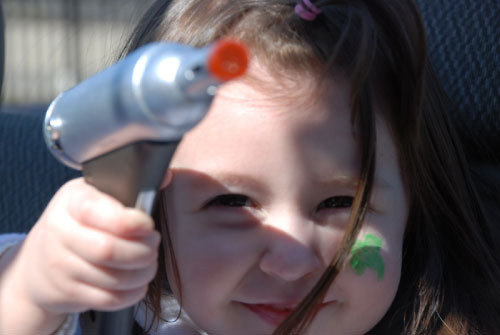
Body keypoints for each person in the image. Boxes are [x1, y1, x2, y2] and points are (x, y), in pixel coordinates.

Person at [1, 0, 500, 334]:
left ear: (412, 206)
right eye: (232, 202)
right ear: (154, 211)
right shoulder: (123, 317)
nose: (291, 261)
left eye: (340, 203)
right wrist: (34, 288)